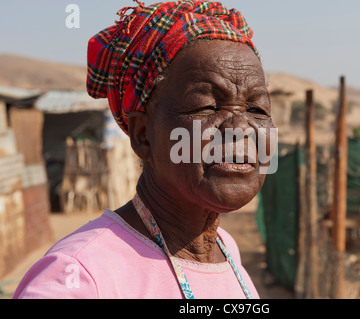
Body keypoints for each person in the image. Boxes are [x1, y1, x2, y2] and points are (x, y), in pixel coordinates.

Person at [13, 0, 275, 299]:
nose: (241, 128)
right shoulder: (80, 276)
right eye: (206, 106)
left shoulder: (225, 249)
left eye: (257, 108)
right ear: (143, 135)